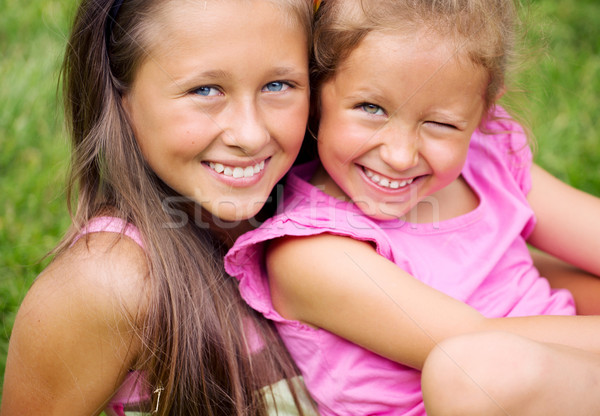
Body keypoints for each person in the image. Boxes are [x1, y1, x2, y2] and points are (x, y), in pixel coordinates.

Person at [224, 0, 600, 414]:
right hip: (488, 387)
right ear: (316, 96)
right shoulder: (309, 248)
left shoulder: (487, 159)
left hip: (568, 376)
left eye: (440, 124)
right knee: (471, 371)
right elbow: (477, 347)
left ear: (484, 113)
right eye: (371, 109)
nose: (401, 156)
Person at [0, 0, 318, 415]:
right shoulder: (112, 284)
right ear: (122, 98)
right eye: (204, 90)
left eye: (278, 85)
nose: (250, 134)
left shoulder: (339, 208)